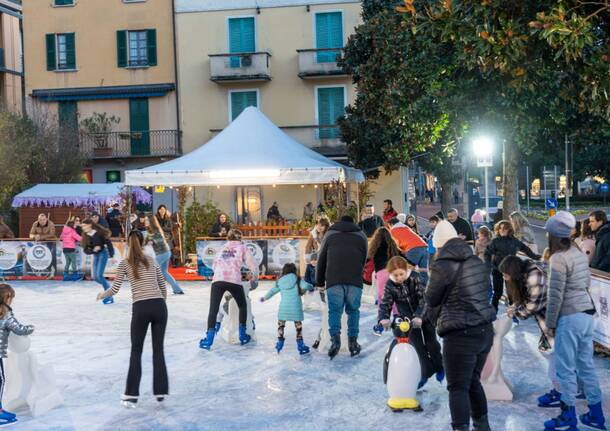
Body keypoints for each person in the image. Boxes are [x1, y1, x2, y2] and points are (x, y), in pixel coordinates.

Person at [426, 220, 496, 431]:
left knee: (457, 387)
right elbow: (487, 290)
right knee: (473, 381)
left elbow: (431, 298)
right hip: (484, 330)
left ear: (439, 245)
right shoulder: (475, 260)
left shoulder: (442, 265)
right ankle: (483, 427)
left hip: (460, 334)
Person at [542, 211, 605, 431]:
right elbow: (587, 281)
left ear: (553, 234)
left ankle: (568, 418)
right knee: (586, 366)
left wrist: (550, 323)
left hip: (569, 316)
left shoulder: (558, 258)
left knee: (565, 369)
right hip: (587, 313)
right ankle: (596, 415)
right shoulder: (577, 252)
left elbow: (555, 294)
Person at [97, 231, 169, 409]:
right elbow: (162, 285)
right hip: (159, 306)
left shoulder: (125, 263)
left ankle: (131, 396)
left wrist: (101, 294)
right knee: (158, 350)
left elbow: (114, 290)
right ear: (144, 243)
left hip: (141, 308)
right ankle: (160, 392)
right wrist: (160, 303)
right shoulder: (152, 261)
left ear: (128, 244)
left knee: (136, 351)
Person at [377, 256, 444, 386]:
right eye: (395, 275)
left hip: (425, 316)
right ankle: (424, 374)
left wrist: (419, 316)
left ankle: (439, 367)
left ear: (406, 270)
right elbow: (385, 303)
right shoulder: (390, 285)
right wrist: (383, 318)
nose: (399, 278)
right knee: (418, 348)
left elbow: (424, 299)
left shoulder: (415, 277)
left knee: (431, 344)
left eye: (401, 274)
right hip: (407, 321)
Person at [316, 215, 368, 359]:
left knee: (335, 311)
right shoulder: (361, 235)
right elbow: (364, 258)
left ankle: (335, 340)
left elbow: (321, 259)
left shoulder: (330, 234)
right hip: (355, 280)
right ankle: (353, 342)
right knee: (353, 311)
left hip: (334, 280)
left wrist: (319, 281)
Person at [199, 229, 259, 350]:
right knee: (242, 305)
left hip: (218, 280)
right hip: (233, 280)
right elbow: (253, 265)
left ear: (228, 238)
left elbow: (214, 265)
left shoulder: (222, 248)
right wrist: (254, 276)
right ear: (240, 238)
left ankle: (209, 340)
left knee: (213, 309)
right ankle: (242, 335)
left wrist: (220, 273)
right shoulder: (242, 248)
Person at [485, 220, 540, 312]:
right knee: (498, 293)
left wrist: (537, 257)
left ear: (509, 230)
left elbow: (526, 250)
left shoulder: (515, 241)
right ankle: (493, 312)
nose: (502, 230)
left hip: (511, 270)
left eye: (504, 228)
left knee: (512, 293)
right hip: (497, 270)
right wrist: (489, 266)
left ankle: (513, 312)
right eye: (500, 228)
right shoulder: (495, 241)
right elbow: (487, 254)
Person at [260, 263, 314, 355]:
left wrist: (264, 298)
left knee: (281, 326)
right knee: (298, 327)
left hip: (284, 308)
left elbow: (272, 291)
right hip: (295, 308)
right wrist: (311, 287)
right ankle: (300, 346)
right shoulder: (297, 279)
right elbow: (305, 286)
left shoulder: (280, 281)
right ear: (294, 270)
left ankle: (280, 343)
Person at [0, 284, 35, 426]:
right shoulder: (6, 313)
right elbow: (20, 329)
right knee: (0, 380)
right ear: (8, 298)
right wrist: (31, 328)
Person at [146, 216, 184, 295]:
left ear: (151, 222)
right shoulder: (153, 231)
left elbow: (158, 242)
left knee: (150, 270)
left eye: (147, 220)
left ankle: (151, 290)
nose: (145, 221)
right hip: (166, 253)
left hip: (163, 253)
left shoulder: (155, 231)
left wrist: (151, 242)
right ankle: (177, 289)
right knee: (164, 272)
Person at [81, 219, 115, 305]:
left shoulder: (99, 232)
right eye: (82, 226)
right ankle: (109, 289)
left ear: (89, 225)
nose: (83, 228)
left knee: (99, 275)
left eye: (84, 226)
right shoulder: (85, 235)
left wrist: (111, 255)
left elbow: (108, 242)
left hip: (103, 254)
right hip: (96, 255)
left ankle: (109, 296)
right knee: (95, 277)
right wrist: (93, 250)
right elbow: (85, 250)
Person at [388, 217, 429, 284]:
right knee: (424, 273)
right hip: (425, 247)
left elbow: (395, 246)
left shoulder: (393, 230)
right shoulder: (406, 228)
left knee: (405, 270)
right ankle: (426, 290)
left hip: (413, 249)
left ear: (391, 224)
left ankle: (410, 287)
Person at [368, 227, 402, 304]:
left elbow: (368, 258)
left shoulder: (375, 246)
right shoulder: (392, 244)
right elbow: (401, 255)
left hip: (380, 271)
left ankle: (381, 309)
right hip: (392, 270)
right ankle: (395, 311)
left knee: (381, 291)